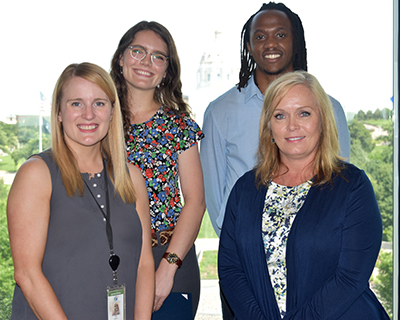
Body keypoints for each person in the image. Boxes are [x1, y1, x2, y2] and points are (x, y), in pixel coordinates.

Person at [218, 71, 390, 319]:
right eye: (280, 115)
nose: (292, 125)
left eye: (304, 113)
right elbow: (231, 269)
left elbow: (350, 277)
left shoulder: (352, 186)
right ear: (269, 126)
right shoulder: (245, 189)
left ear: (322, 120)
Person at [7, 62, 154, 319]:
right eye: (76, 103)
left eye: (99, 103)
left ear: (112, 112)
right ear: (59, 113)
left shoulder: (131, 178)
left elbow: (144, 264)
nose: (89, 114)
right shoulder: (37, 174)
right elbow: (27, 275)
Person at [200, 2, 351, 239]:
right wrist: (238, 244)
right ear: (249, 46)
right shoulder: (220, 112)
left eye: (281, 34)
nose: (270, 43)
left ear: (296, 42)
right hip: (247, 248)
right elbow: (215, 197)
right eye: (260, 36)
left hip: (318, 246)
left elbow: (342, 185)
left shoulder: (330, 109)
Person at [110, 21, 205, 318]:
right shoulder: (97, 121)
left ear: (167, 69)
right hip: (111, 259)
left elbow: (196, 202)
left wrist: (167, 268)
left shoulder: (179, 125)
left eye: (158, 56)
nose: (146, 62)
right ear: (121, 58)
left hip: (169, 259)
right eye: (138, 51)